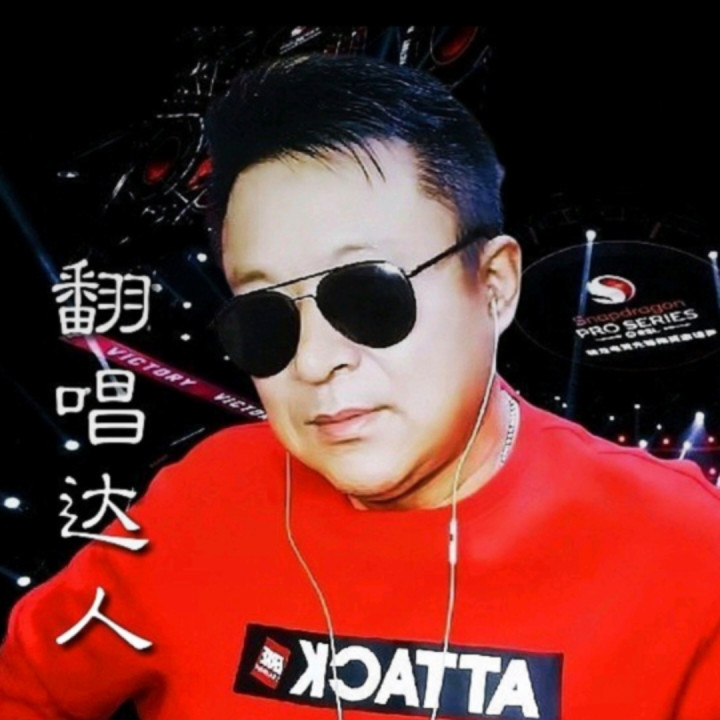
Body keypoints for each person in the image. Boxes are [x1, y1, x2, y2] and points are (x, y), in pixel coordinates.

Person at [1, 53, 719, 720]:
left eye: (368, 296)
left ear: (495, 285)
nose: (314, 362)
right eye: (265, 316)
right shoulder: (194, 502)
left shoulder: (684, 551)